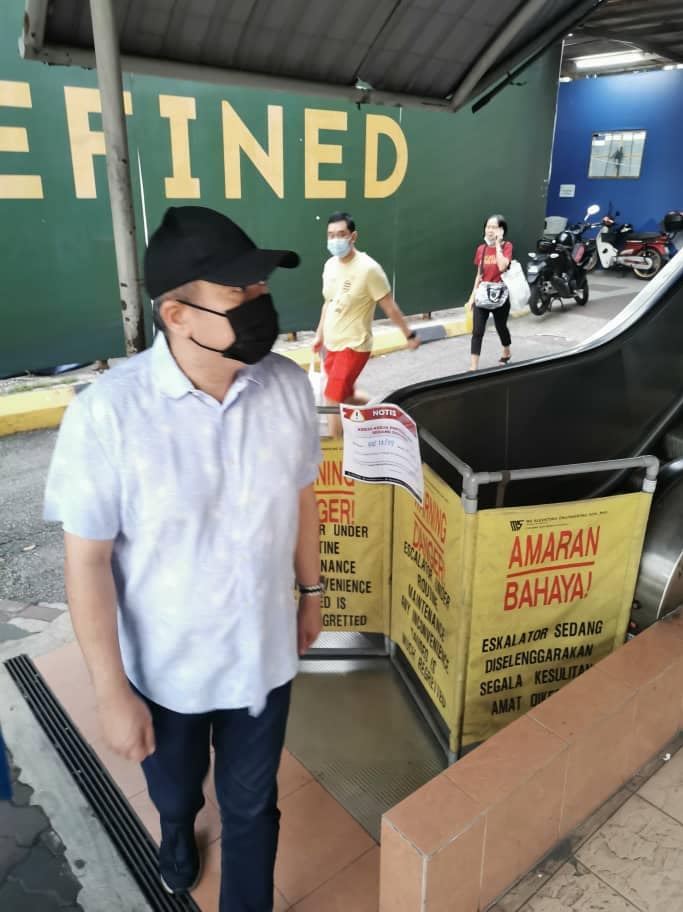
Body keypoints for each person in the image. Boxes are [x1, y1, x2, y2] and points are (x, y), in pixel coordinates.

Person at [44, 206, 323, 912]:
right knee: (175, 787)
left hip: (262, 656)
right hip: (164, 667)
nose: (261, 304)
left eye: (261, 288)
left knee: (253, 807)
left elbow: (303, 498)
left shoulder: (287, 388)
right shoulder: (109, 414)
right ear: (177, 313)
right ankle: (175, 825)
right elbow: (86, 563)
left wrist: (313, 591)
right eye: (238, 293)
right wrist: (110, 690)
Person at [312, 211, 421, 436]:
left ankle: (340, 457)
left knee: (332, 399)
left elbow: (389, 306)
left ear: (353, 236)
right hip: (332, 345)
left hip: (354, 346)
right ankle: (384, 415)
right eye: (330, 235)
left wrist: (408, 335)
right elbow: (328, 303)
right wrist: (319, 335)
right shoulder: (330, 266)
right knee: (347, 396)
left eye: (341, 234)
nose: (335, 240)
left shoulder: (369, 269)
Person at [466, 214, 513, 371]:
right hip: (483, 293)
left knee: (501, 327)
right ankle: (473, 368)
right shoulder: (481, 249)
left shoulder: (507, 246)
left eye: (494, 227)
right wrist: (472, 296)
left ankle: (506, 351)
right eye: (488, 227)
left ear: (501, 230)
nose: (490, 230)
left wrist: (498, 245)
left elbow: (502, 267)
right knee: (477, 331)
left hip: (500, 295)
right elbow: (479, 274)